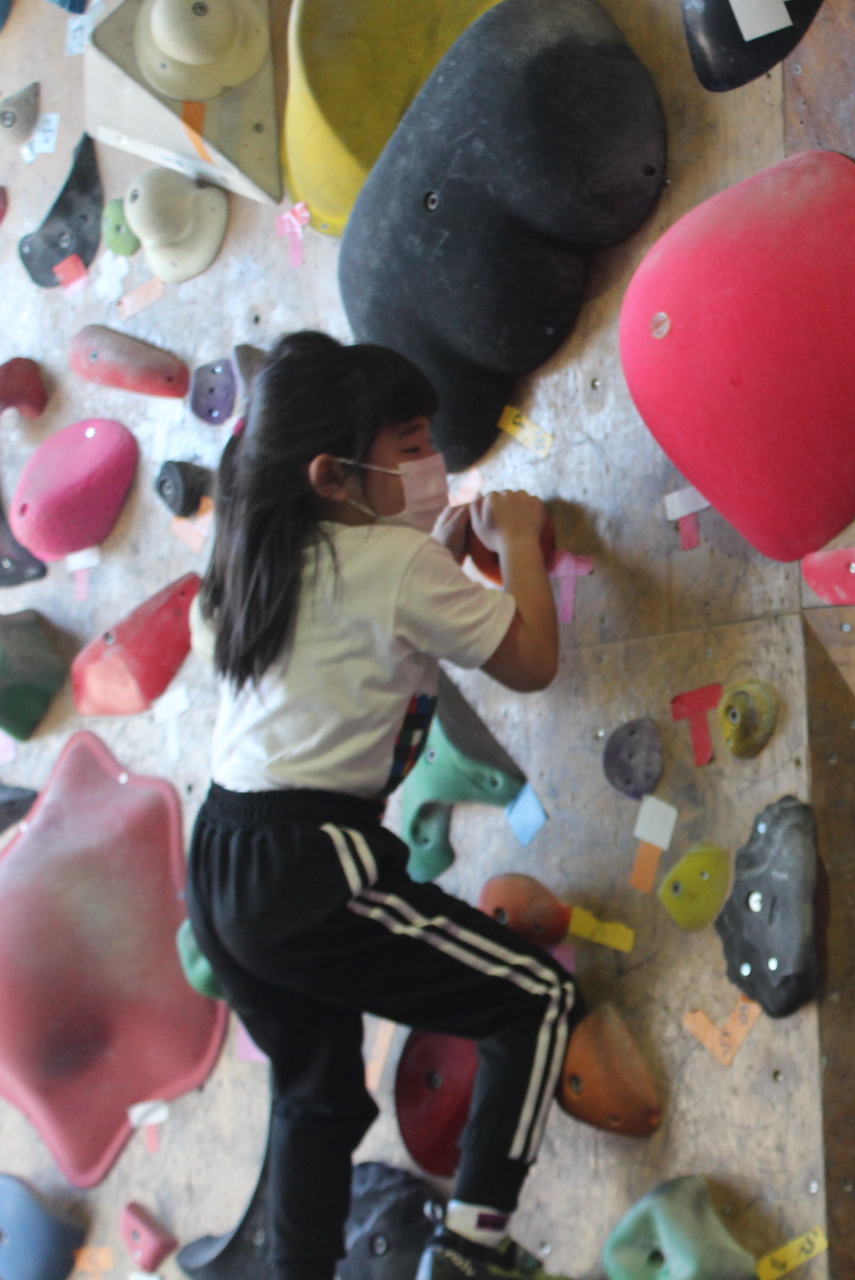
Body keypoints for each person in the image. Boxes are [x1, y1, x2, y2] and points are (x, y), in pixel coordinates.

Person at [187, 331, 575, 1280]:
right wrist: (519, 544)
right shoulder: (395, 568)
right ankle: (473, 1251)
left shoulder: (258, 556)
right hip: (309, 864)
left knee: (317, 1097)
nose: (432, 461)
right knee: (535, 999)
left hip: (223, 857)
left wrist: (439, 555)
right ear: (333, 476)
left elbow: (365, 625)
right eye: (411, 446)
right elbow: (532, 660)